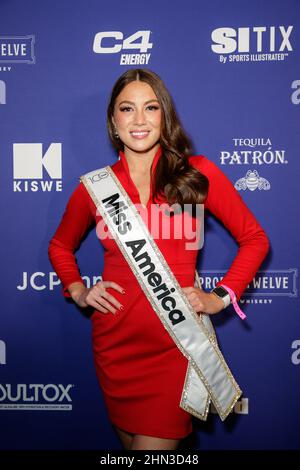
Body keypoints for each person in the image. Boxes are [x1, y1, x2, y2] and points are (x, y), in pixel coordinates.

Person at [48, 68, 270, 451]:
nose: (139, 119)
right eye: (127, 108)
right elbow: (59, 245)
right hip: (115, 344)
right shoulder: (95, 186)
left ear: (164, 116)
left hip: (177, 344)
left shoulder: (197, 174)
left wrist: (219, 297)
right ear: (113, 122)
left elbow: (254, 239)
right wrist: (79, 291)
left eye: (150, 107)